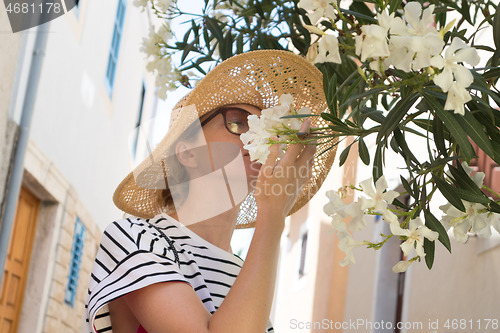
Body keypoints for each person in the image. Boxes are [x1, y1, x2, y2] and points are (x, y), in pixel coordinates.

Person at [85, 50, 336, 333]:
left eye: (264, 127)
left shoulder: (251, 273)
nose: (259, 137)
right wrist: (273, 217)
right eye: (237, 122)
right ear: (188, 152)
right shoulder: (133, 237)